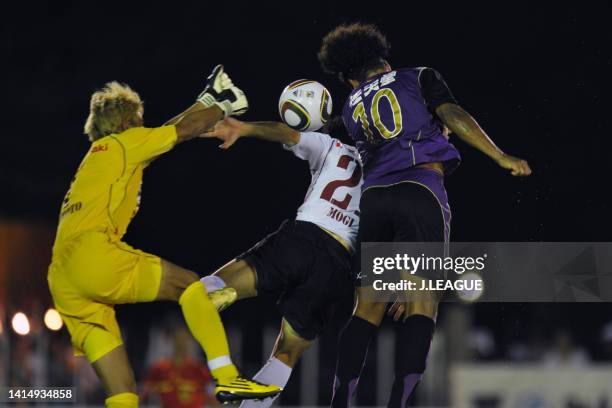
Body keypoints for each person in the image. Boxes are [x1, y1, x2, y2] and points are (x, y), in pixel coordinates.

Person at [318, 23, 532, 407]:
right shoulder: (417, 77)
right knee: (423, 302)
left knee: (367, 307)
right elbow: (452, 113)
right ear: (384, 62)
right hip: (420, 191)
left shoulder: (350, 108)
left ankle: (338, 401)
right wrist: (500, 155)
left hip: (375, 202)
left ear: (351, 79)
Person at [47, 65, 280, 408]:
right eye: (139, 119)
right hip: (93, 255)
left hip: (63, 279)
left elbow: (164, 133)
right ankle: (228, 377)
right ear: (128, 123)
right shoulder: (124, 144)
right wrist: (223, 105)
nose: (144, 125)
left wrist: (202, 101)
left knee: (123, 394)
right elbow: (180, 132)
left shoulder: (104, 156)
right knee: (189, 287)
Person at [200, 113, 362, 408]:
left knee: (205, 291)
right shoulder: (384, 171)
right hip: (336, 266)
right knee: (286, 354)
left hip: (303, 239)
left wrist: (244, 127)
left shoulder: (332, 147)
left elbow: (287, 133)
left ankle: (223, 302)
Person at [142, 327, 218, 408]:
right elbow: (145, 394)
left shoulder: (199, 369)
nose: (181, 344)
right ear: (171, 341)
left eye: (184, 340)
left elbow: (212, 397)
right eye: (178, 340)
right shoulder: (159, 368)